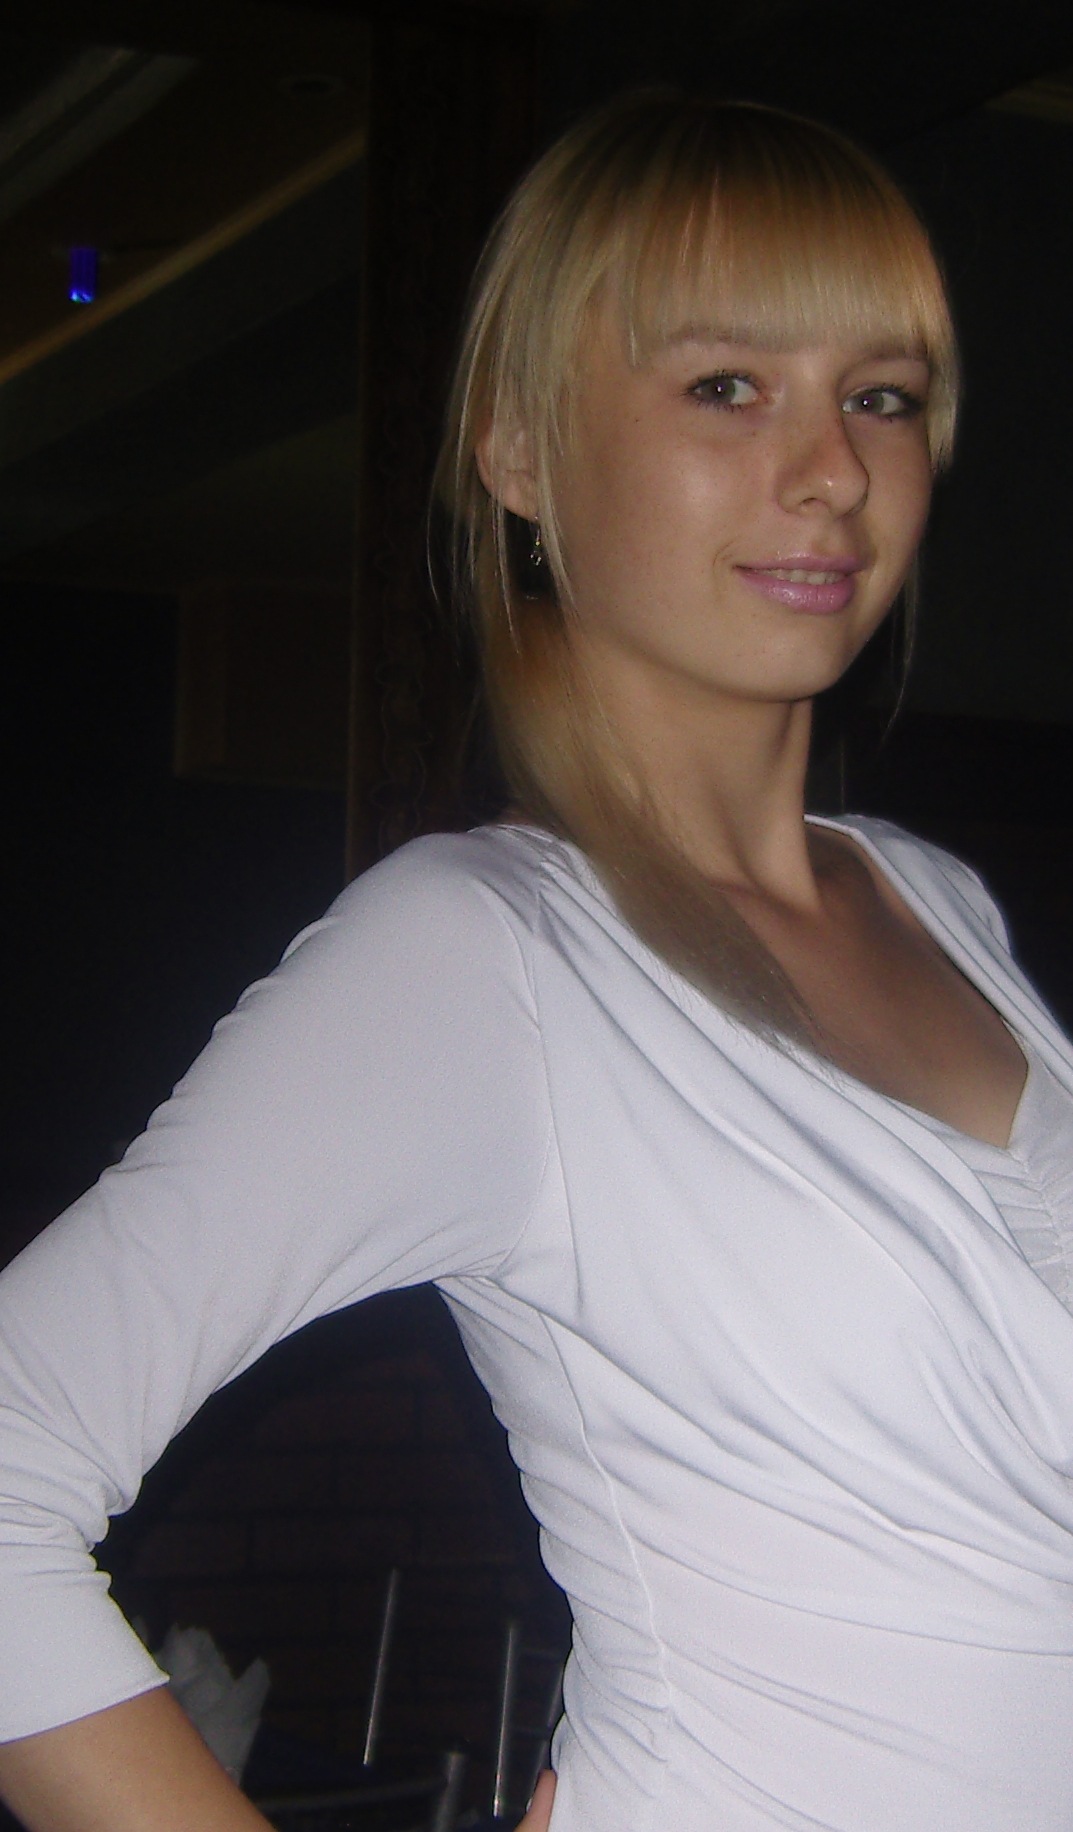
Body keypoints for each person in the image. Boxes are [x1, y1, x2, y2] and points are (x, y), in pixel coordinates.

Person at [0, 87, 1070, 1832]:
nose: (832, 471)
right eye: (726, 387)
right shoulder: (481, 956)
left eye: (879, 395)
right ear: (517, 448)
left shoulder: (933, 900)